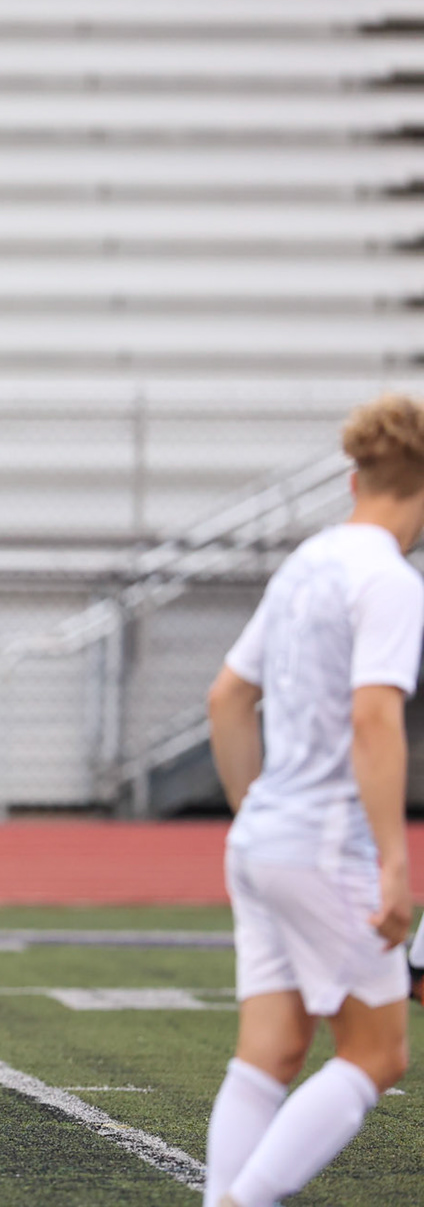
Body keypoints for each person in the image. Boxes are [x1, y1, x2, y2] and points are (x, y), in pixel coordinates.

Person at [200, 393, 423, 1207]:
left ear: (356, 476)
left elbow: (227, 696)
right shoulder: (391, 581)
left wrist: (255, 811)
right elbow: (374, 716)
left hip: (261, 839)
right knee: (378, 1055)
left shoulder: (307, 562)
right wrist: (395, 865)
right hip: (327, 847)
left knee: (271, 1048)